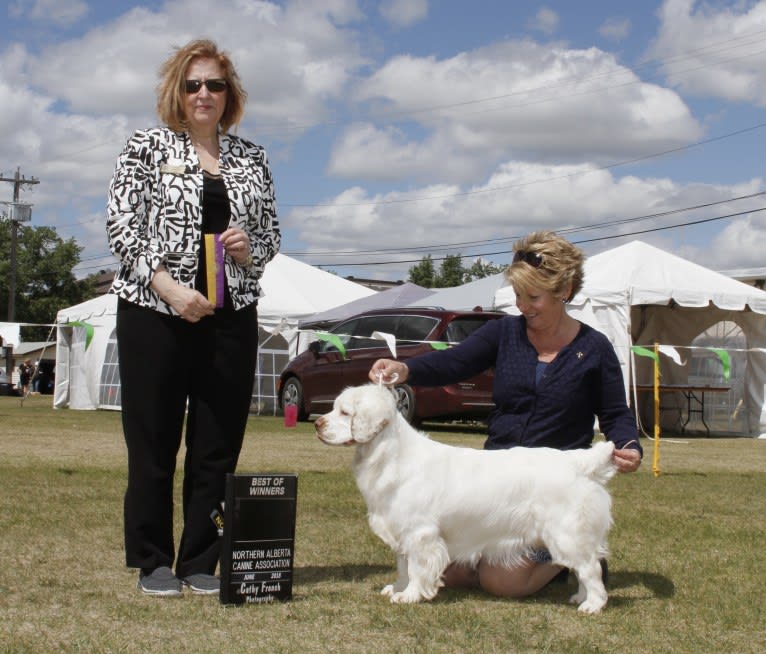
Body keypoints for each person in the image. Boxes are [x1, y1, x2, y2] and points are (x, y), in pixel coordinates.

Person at [369, 230, 641, 599]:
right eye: (517, 296)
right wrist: (405, 370)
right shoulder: (504, 333)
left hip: (552, 484)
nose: (523, 306)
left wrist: (628, 446)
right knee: (445, 569)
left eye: (534, 297)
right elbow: (454, 362)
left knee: (502, 583)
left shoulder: (594, 348)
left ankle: (573, 554)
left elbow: (615, 412)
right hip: (495, 482)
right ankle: (516, 557)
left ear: (565, 290)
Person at [106, 39, 280, 597]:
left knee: (217, 444)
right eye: (193, 84)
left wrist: (250, 250)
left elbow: (273, 235)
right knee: (153, 441)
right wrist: (167, 286)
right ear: (176, 93)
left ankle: (202, 559)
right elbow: (121, 225)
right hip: (155, 312)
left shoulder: (252, 158)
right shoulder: (146, 147)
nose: (204, 94)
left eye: (215, 85)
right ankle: (153, 560)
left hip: (232, 315)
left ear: (231, 96)